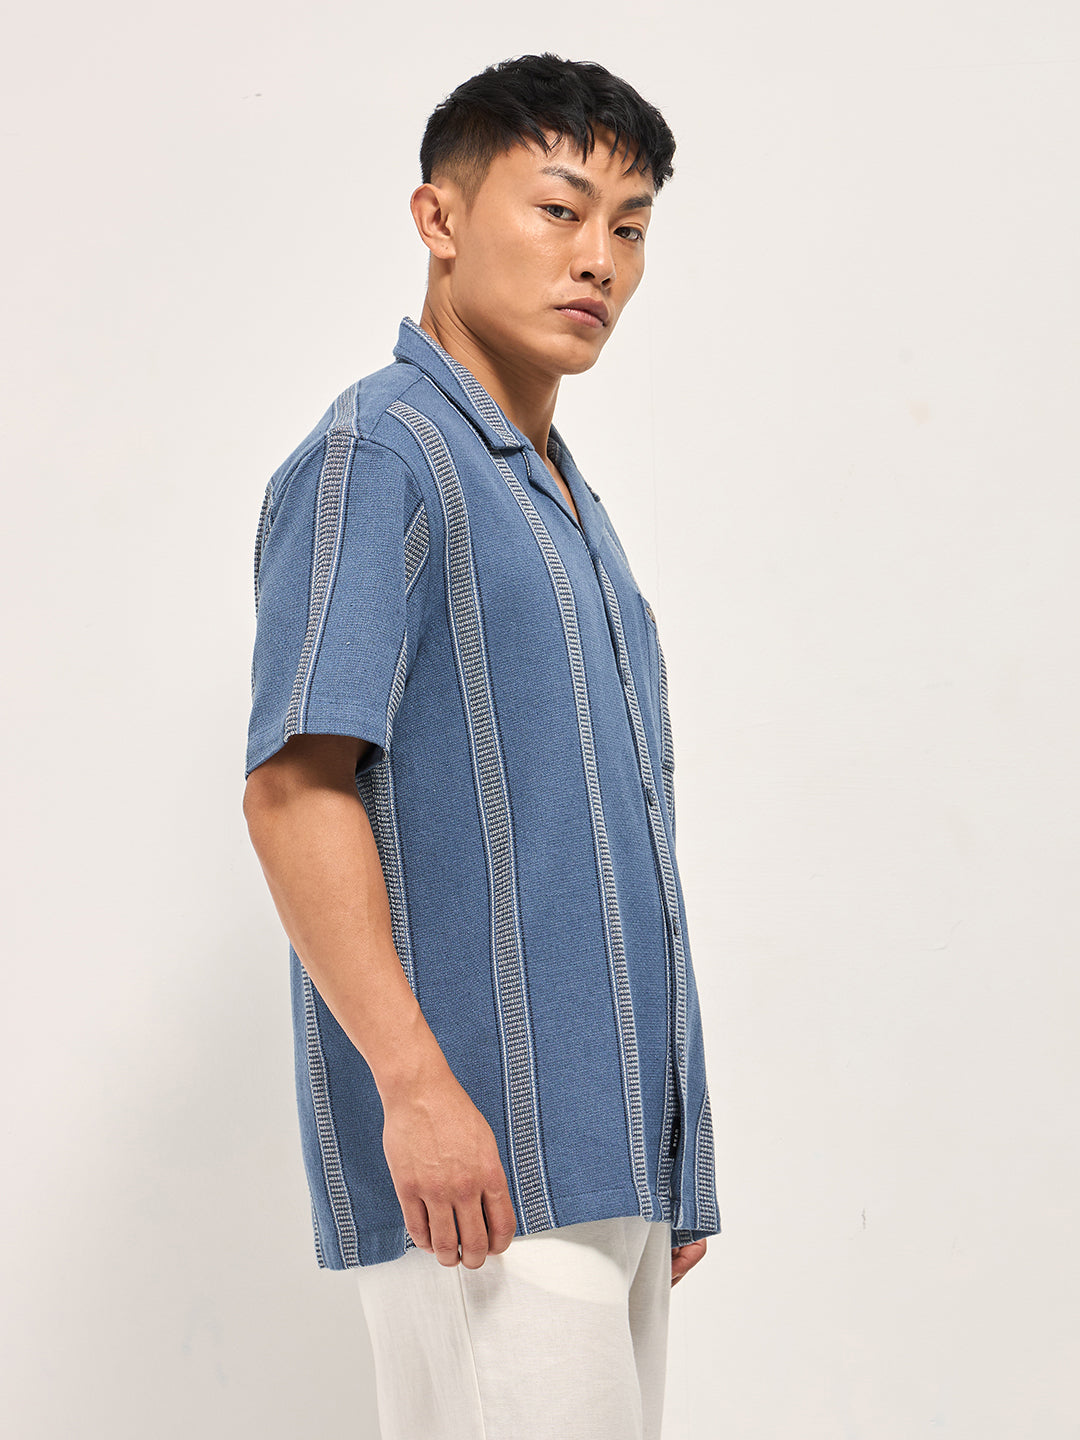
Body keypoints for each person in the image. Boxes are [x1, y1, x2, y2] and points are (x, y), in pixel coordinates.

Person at [242, 50, 720, 1440]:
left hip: (609, 1167)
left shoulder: (562, 497)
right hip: (481, 1167)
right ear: (438, 218)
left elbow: (599, 840)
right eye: (559, 209)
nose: (601, 260)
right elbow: (294, 790)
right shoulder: (381, 456)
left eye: (630, 227)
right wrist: (413, 1089)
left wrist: (673, 1150)